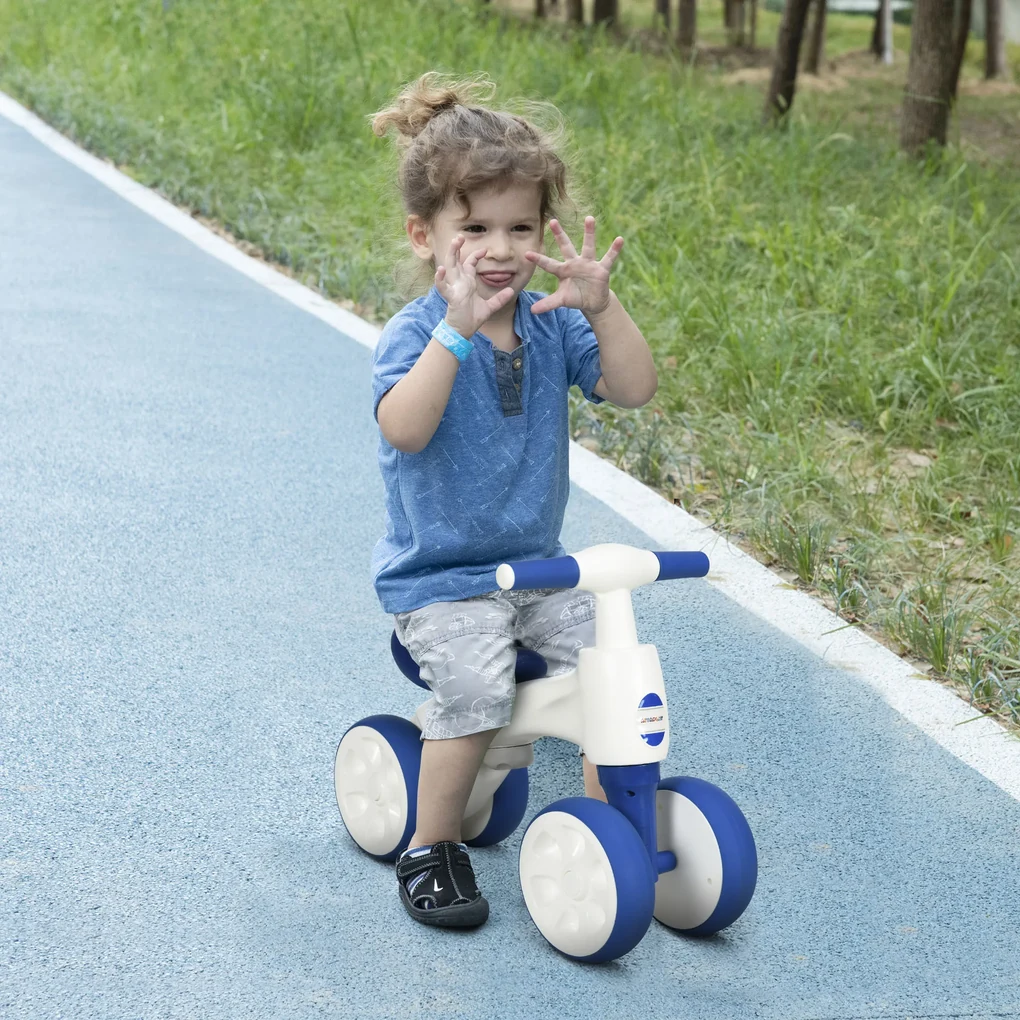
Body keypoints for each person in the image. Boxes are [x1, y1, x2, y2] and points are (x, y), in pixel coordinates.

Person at [369, 72, 658, 929]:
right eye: (476, 227)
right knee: (476, 687)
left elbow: (634, 388)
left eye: (520, 227)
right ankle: (430, 844)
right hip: (443, 579)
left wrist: (603, 311)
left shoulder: (553, 322)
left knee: (611, 663)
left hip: (535, 570)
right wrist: (456, 333)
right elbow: (405, 429)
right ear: (427, 237)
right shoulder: (417, 335)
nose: (499, 248)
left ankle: (613, 834)